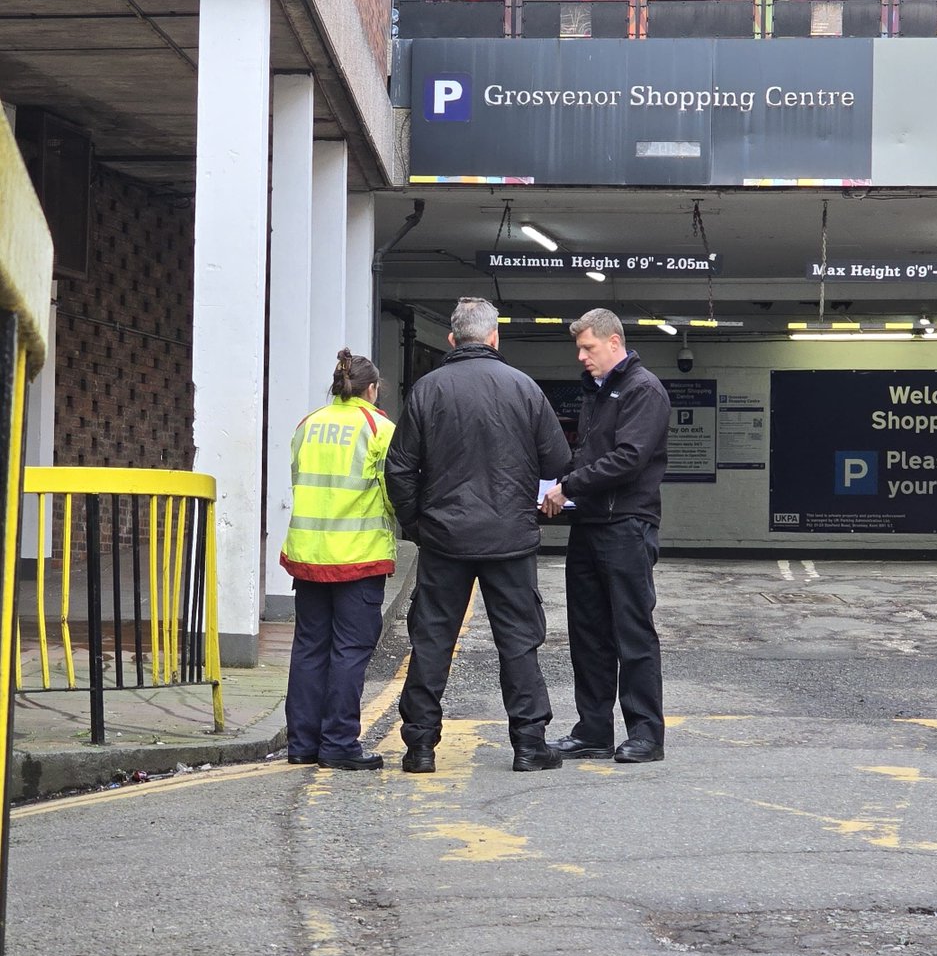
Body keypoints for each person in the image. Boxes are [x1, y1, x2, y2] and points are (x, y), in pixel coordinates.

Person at [385, 297, 571, 774]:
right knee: (519, 643)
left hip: (444, 539)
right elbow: (557, 461)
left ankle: (420, 748)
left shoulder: (428, 389)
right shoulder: (524, 388)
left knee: (432, 641)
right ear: (494, 337)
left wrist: (418, 525)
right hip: (510, 540)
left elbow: (399, 469)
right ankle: (529, 745)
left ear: (452, 339)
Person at [540, 309, 671, 764]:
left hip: (626, 526)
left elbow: (630, 458)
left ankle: (646, 735)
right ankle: (593, 731)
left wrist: (569, 486)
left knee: (632, 633)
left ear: (614, 342)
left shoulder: (642, 389)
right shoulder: (598, 391)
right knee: (588, 633)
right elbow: (589, 454)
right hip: (591, 524)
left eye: (588, 347)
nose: (581, 356)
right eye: (579, 348)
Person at [280, 349, 398, 771]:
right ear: (372, 389)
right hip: (358, 558)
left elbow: (299, 480)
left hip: (309, 555)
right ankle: (339, 742)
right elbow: (393, 492)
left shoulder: (307, 424)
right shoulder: (379, 428)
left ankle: (302, 743)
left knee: (309, 647)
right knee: (350, 650)